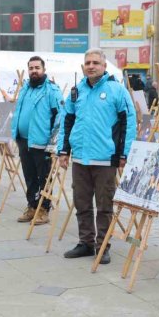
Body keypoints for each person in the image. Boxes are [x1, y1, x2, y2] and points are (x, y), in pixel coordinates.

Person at [57, 48, 136, 264]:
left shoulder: (117, 90)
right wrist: (63, 150)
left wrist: (124, 153)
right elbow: (67, 121)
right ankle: (86, 242)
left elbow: (128, 122)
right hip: (80, 158)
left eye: (95, 63)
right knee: (81, 202)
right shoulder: (76, 91)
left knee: (104, 205)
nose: (91, 66)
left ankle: (103, 246)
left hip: (105, 158)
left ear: (104, 66)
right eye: (88, 63)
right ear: (83, 66)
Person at [11, 56, 63, 225]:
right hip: (23, 140)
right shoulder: (25, 88)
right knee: (29, 177)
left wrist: (53, 143)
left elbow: (59, 117)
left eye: (37, 68)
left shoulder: (52, 90)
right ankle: (32, 206)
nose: (34, 71)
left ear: (44, 69)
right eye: (31, 68)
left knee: (44, 178)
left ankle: (44, 209)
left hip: (42, 143)